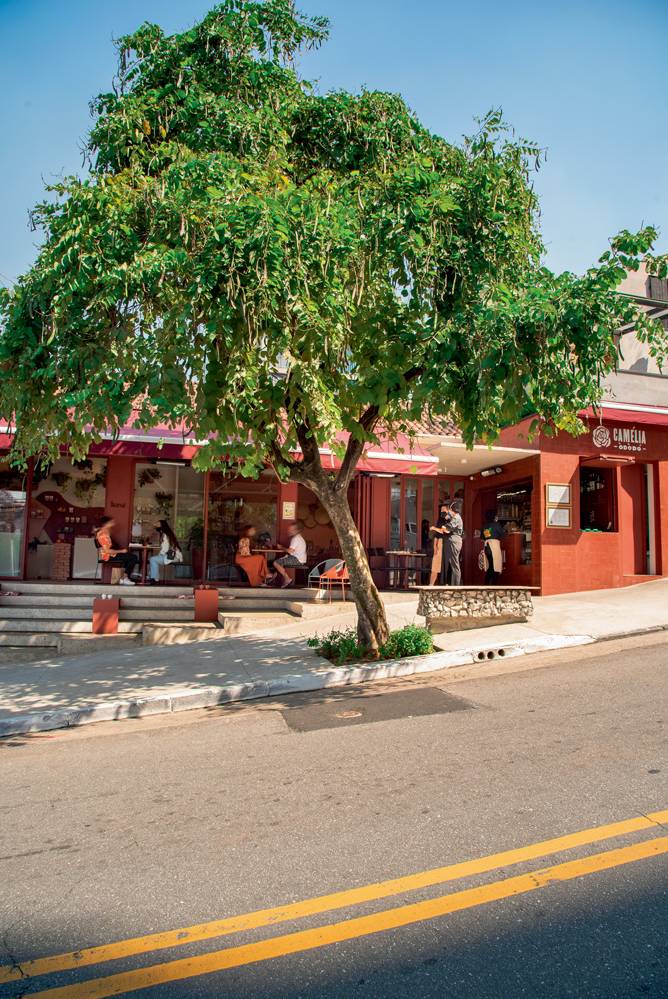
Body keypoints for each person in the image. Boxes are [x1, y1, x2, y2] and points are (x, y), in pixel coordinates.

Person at [94, 515, 138, 586]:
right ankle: (124, 578)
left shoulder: (105, 531)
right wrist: (121, 551)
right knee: (133, 557)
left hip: (112, 554)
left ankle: (123, 578)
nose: (113, 523)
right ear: (106, 523)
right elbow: (107, 551)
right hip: (108, 556)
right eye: (111, 522)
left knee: (128, 557)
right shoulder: (102, 534)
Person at [269, 521, 308, 589]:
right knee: (280, 561)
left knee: (275, 563)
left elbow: (290, 551)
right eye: (289, 529)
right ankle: (273, 577)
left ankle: (287, 578)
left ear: (296, 530)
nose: (289, 531)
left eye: (291, 530)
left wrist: (281, 547)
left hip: (297, 560)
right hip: (300, 559)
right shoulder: (299, 537)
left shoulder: (295, 538)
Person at [148, 520, 183, 584]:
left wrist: (160, 554)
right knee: (153, 559)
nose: (156, 525)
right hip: (172, 556)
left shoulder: (165, 535)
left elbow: (165, 548)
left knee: (153, 559)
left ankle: (154, 578)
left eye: (158, 524)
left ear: (162, 526)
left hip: (172, 557)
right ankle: (152, 577)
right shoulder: (166, 533)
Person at [428, 502, 451, 585]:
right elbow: (437, 535)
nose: (442, 511)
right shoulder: (440, 520)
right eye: (441, 510)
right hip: (439, 543)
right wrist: (434, 546)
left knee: (446, 566)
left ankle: (446, 584)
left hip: (447, 543)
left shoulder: (451, 520)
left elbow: (445, 531)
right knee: (435, 566)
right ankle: (431, 585)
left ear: (448, 510)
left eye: (443, 510)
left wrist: (434, 528)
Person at [482, 509, 505, 585]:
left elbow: (482, 537)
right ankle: (493, 586)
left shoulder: (485, 526)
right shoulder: (496, 524)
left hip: (487, 547)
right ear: (494, 517)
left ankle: (486, 584)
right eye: (496, 516)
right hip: (494, 547)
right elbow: (502, 535)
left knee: (491, 566)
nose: (497, 517)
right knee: (496, 567)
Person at [444, 499, 464, 586]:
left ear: (453, 510)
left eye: (450, 509)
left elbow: (448, 527)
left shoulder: (456, 517)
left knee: (455, 565)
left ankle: (456, 586)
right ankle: (454, 585)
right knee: (454, 564)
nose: (449, 511)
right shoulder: (456, 517)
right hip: (455, 540)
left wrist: (444, 526)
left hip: (455, 541)